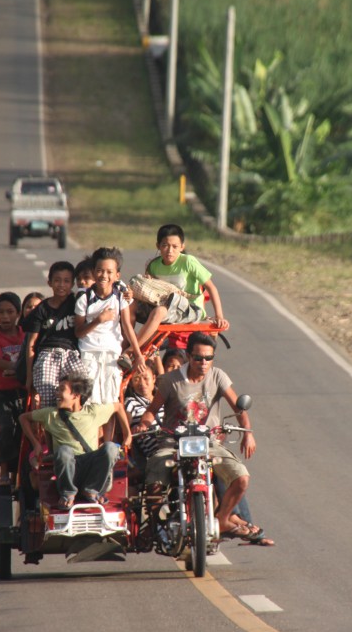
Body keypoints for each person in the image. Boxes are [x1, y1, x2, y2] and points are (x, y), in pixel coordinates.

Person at [135, 330, 261, 540]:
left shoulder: (218, 376)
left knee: (241, 478)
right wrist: (144, 424)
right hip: (173, 443)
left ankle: (221, 519)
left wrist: (248, 433)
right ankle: (157, 526)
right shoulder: (170, 380)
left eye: (208, 358)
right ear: (188, 355)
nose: (203, 362)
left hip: (208, 443)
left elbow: (239, 407)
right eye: (198, 358)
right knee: (154, 480)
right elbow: (151, 410)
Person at [19, 372, 132, 509]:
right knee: (63, 450)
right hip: (68, 468)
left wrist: (128, 434)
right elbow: (23, 418)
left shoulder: (92, 412)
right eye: (57, 390)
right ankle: (68, 493)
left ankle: (92, 490)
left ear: (75, 395)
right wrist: (35, 444)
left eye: (61, 390)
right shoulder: (50, 414)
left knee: (111, 448)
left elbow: (118, 407)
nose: (57, 394)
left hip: (91, 467)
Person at [125, 223, 230, 362]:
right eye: (165, 245)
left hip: (190, 310)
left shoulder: (188, 262)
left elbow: (211, 288)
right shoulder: (153, 266)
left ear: (182, 247)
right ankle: (126, 342)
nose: (170, 250)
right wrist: (131, 295)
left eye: (175, 247)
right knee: (128, 306)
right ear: (158, 246)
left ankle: (131, 350)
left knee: (160, 312)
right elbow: (148, 293)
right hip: (163, 308)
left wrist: (219, 316)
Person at [75, 247, 146, 403]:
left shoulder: (120, 294)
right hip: (89, 353)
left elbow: (127, 326)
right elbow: (78, 332)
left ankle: (109, 429)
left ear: (117, 275)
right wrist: (98, 320)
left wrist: (138, 355)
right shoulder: (83, 298)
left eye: (109, 272)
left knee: (110, 401)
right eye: (100, 271)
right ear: (93, 272)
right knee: (90, 401)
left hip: (112, 352)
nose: (104, 276)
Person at [23, 261, 85, 406]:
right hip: (47, 355)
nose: (61, 285)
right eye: (57, 280)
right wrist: (29, 375)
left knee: (82, 388)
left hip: (71, 354)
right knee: (48, 396)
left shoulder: (78, 302)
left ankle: (73, 423)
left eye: (66, 281)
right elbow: (31, 344)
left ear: (73, 284)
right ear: (49, 282)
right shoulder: (41, 309)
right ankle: (51, 427)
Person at [0, 292, 26, 485]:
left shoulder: (25, 333)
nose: (5, 317)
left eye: (10, 312)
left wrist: (21, 374)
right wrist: (21, 369)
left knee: (24, 430)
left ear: (18, 313)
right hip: (2, 393)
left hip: (24, 390)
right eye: (1, 312)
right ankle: (3, 472)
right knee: (7, 427)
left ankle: (19, 474)